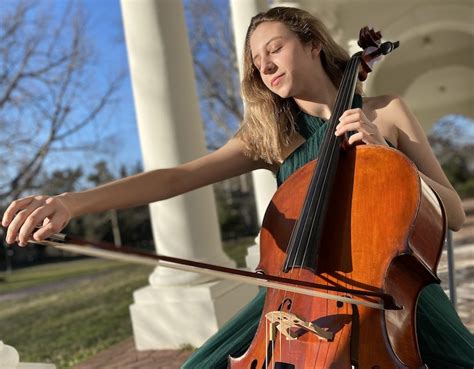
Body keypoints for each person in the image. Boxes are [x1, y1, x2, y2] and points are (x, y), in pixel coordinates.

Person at [2, 6, 472, 369]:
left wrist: (386, 154)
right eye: (255, 60)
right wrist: (70, 201)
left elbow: (453, 213)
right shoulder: (272, 138)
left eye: (275, 48)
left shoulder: (386, 112)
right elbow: (176, 178)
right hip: (295, 291)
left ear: (311, 43)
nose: (264, 64)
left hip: (391, 288)